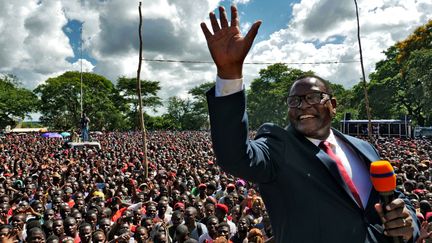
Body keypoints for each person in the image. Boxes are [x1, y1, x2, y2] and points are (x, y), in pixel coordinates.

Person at [201, 5, 420, 243]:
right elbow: (235, 155)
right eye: (294, 100)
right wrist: (230, 73)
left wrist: (410, 223)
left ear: (333, 105)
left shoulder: (364, 148)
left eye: (313, 97)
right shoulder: (278, 147)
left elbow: (397, 197)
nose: (303, 105)